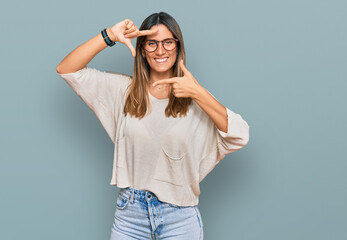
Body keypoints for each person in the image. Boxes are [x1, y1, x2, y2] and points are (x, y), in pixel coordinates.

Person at [56, 11, 250, 240]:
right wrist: (110, 35)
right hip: (130, 217)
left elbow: (240, 135)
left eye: (168, 42)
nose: (160, 50)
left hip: (179, 218)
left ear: (178, 46)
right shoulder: (123, 92)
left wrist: (198, 92)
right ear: (142, 50)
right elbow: (67, 70)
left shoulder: (195, 100)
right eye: (152, 44)